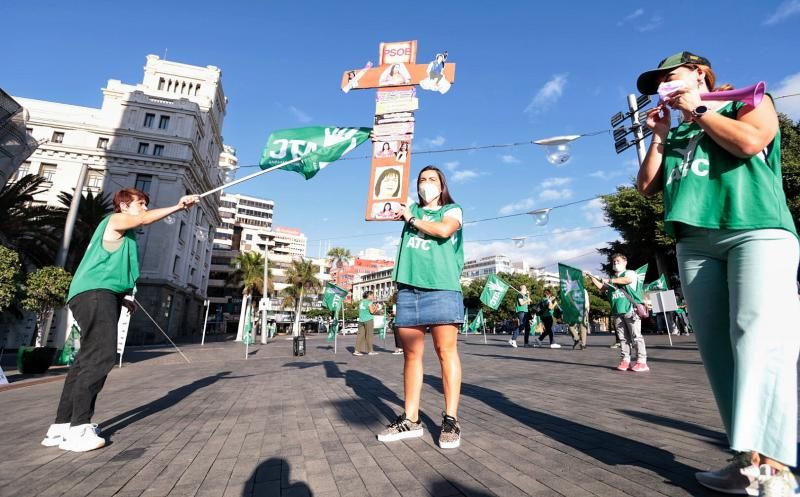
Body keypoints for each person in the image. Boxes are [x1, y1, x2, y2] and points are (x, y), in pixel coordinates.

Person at [636, 51, 799, 495]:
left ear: (699, 73)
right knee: (718, 351)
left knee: (760, 340)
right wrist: (660, 137)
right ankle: (745, 459)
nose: (663, 84)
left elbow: (750, 143)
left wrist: (698, 107)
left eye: (671, 75)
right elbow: (646, 186)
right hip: (694, 240)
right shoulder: (679, 126)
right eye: (658, 82)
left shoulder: (747, 98)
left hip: (756, 230)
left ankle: (778, 468)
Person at [41, 188, 199, 452]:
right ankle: (79, 428)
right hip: (95, 292)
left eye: (146, 204)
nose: (144, 208)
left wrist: (125, 296)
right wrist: (179, 206)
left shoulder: (126, 237)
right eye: (140, 204)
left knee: (85, 361)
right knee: (101, 357)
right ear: (124, 206)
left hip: (100, 292)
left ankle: (60, 428)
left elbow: (114, 265)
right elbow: (145, 220)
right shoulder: (114, 220)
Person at [377, 165, 464, 449]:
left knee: (445, 351)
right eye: (421, 180)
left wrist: (412, 218)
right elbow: (383, 198)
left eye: (431, 179)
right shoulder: (408, 208)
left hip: (441, 287)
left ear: (441, 186)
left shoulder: (452, 210)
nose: (426, 183)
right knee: (411, 356)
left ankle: (451, 419)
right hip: (408, 289)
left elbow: (442, 231)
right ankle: (411, 420)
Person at [586, 254, 649, 372]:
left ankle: (642, 361)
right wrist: (591, 276)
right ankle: (626, 360)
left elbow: (627, 280)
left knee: (636, 336)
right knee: (623, 339)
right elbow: (601, 287)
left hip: (630, 310)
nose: (615, 263)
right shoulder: (611, 278)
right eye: (614, 262)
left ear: (625, 262)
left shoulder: (629, 273)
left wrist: (610, 280)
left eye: (618, 261)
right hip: (617, 312)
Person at [354, 291, 380, 356]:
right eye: (372, 295)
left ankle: (356, 351)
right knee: (369, 335)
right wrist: (376, 307)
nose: (373, 296)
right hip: (368, 320)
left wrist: (374, 307)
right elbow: (372, 312)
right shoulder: (369, 302)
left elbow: (365, 310)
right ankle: (370, 351)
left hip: (361, 320)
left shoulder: (361, 301)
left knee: (360, 336)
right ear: (369, 295)